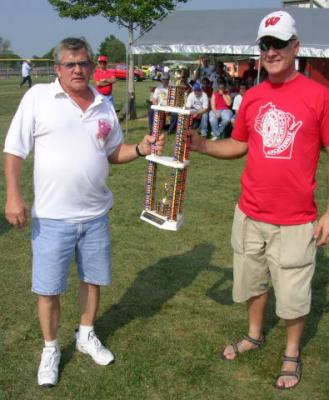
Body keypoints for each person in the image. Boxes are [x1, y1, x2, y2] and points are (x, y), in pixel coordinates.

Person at [3, 37, 164, 388]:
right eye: (70, 64)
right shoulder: (38, 98)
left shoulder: (104, 105)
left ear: (92, 66)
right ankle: (50, 349)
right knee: (48, 289)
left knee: (92, 280)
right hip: (52, 217)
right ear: (58, 68)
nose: (78, 69)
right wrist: (13, 196)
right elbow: (14, 150)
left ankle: (86, 334)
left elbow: (112, 152)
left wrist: (139, 148)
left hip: (95, 216)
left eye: (84, 63)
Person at [189, 11, 329, 390]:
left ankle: (292, 352)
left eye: (279, 44)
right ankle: (254, 334)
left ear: (296, 47)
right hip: (250, 213)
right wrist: (201, 144)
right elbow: (241, 143)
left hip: (296, 220)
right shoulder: (252, 96)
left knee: (293, 294)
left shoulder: (319, 96)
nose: (271, 51)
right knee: (252, 282)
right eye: (265, 45)